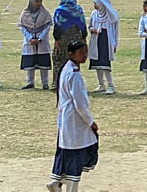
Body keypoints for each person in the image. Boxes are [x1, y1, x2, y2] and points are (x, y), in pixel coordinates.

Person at [47, 40, 99, 192]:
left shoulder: (67, 69)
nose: (85, 56)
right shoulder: (74, 74)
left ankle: (57, 180)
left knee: (66, 151)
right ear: (71, 54)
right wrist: (90, 121)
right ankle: (67, 185)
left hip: (67, 118)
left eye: (85, 52)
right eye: (81, 53)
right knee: (77, 155)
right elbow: (80, 103)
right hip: (75, 119)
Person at [52, 0, 88, 93]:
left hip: (64, 37)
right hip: (76, 37)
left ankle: (58, 83)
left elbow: (57, 26)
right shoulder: (78, 10)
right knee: (74, 59)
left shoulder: (60, 11)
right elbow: (83, 24)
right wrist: (84, 37)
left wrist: (57, 39)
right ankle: (73, 82)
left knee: (60, 58)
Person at [19, 0, 53, 90]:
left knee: (43, 64)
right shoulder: (25, 13)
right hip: (29, 41)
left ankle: (45, 83)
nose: (39, 4)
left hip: (42, 41)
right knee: (30, 62)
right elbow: (22, 26)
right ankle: (30, 82)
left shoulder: (45, 13)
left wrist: (40, 38)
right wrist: (30, 38)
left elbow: (48, 26)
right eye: (37, 1)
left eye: (40, 1)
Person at [88, 0, 120, 95]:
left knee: (105, 64)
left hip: (106, 41)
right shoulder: (94, 14)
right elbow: (90, 26)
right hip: (96, 40)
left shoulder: (112, 15)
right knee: (97, 63)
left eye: (96, 4)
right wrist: (92, 30)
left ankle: (111, 85)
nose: (95, 6)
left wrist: (114, 44)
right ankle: (101, 84)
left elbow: (115, 31)